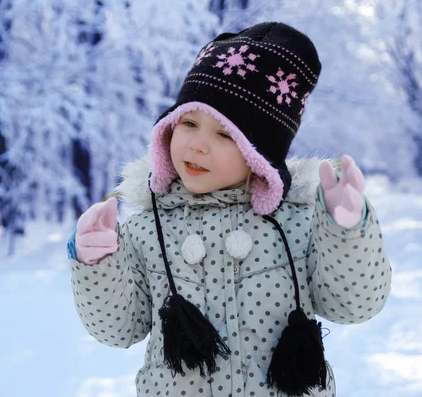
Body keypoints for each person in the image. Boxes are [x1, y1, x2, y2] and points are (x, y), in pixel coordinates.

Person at [67, 22, 392, 397]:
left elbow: (354, 306)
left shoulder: (297, 223)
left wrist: (345, 231)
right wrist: (98, 264)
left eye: (225, 134)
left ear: (260, 155)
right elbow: (119, 328)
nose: (197, 145)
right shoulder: (146, 230)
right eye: (188, 123)